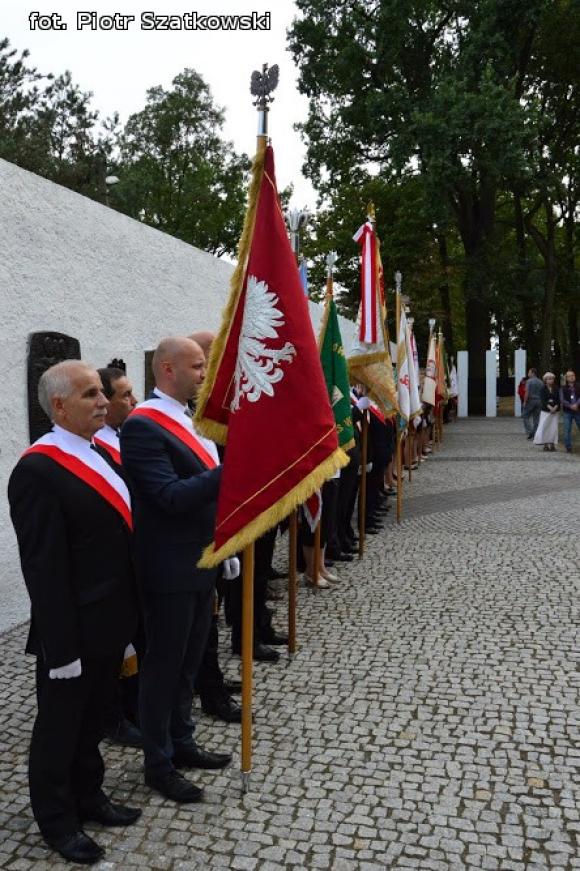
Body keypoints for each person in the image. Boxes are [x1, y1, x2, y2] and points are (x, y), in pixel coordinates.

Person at [8, 360, 140, 865]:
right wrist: (59, 648)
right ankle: (57, 820)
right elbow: (43, 569)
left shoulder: (97, 451)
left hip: (112, 619)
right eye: (90, 395)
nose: (103, 401)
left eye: (101, 393)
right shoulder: (38, 470)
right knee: (60, 727)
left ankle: (90, 795)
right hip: (74, 629)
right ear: (59, 406)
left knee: (94, 720)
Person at [120, 337, 231, 805]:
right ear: (167, 369)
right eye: (198, 366)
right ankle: (158, 762)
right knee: (163, 668)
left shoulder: (186, 420)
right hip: (168, 567)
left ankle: (182, 741)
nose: (205, 374)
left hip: (199, 560)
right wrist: (234, 466)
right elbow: (168, 497)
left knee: (188, 664)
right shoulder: (144, 426)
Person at [95, 365, 143, 747]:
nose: (133, 400)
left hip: (133, 560)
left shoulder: (123, 438)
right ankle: (112, 718)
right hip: (105, 572)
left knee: (130, 640)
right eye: (124, 394)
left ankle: (131, 706)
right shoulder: (96, 449)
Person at [533, 372, 560, 452]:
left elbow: (558, 399)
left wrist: (555, 407)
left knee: (553, 428)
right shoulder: (542, 389)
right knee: (545, 427)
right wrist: (550, 408)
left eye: (552, 379)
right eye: (548, 379)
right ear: (545, 380)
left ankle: (552, 444)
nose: (550, 380)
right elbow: (543, 400)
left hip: (555, 411)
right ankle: (545, 444)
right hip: (545, 411)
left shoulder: (556, 388)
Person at [560, 369, 580, 454]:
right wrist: (571, 406)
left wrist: (576, 405)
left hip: (578, 411)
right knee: (567, 429)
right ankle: (568, 447)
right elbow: (562, 399)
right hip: (567, 412)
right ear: (566, 378)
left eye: (573, 375)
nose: (571, 377)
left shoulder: (579, 386)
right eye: (569, 376)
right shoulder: (563, 388)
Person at [522, 367, 544, 439]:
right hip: (539, 401)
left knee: (525, 416)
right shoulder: (541, 382)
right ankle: (535, 433)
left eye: (529, 372)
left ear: (533, 373)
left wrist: (525, 402)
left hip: (531, 401)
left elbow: (527, 392)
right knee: (536, 418)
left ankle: (531, 431)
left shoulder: (529, 381)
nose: (528, 374)